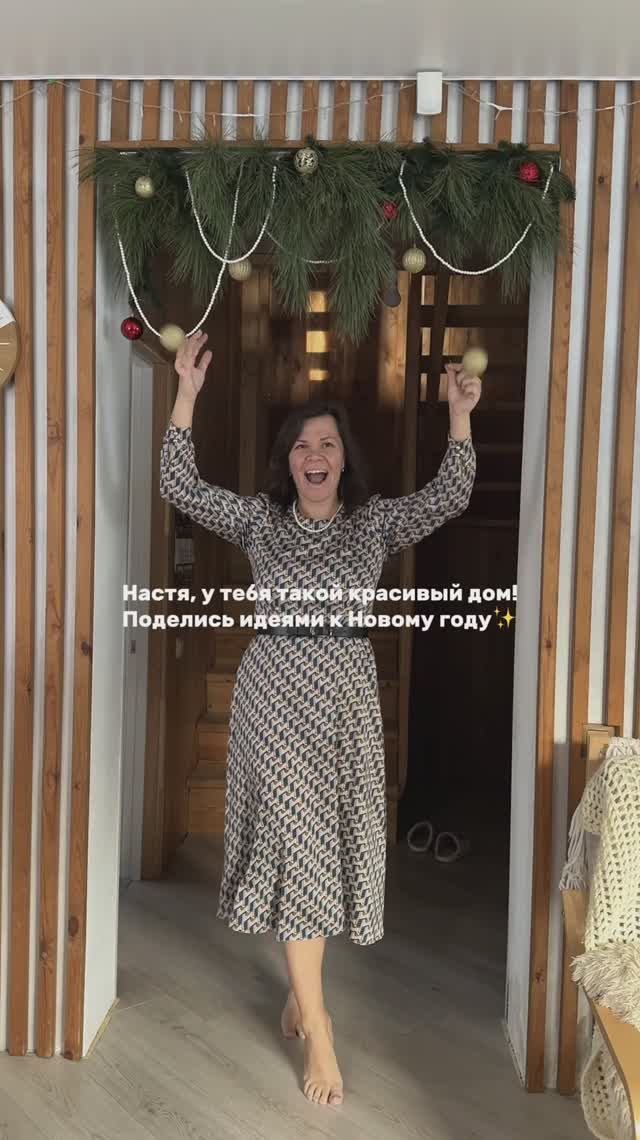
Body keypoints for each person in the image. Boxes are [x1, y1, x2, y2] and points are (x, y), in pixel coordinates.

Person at [159, 329, 480, 1108]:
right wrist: (187, 393)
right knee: (298, 847)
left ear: (343, 459)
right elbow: (179, 485)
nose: (314, 454)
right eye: (302, 444)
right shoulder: (261, 521)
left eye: (327, 443)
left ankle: (298, 991)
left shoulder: (372, 523)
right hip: (274, 700)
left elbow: (449, 496)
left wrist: (460, 416)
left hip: (346, 703)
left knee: (325, 848)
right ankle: (322, 1029)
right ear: (288, 461)